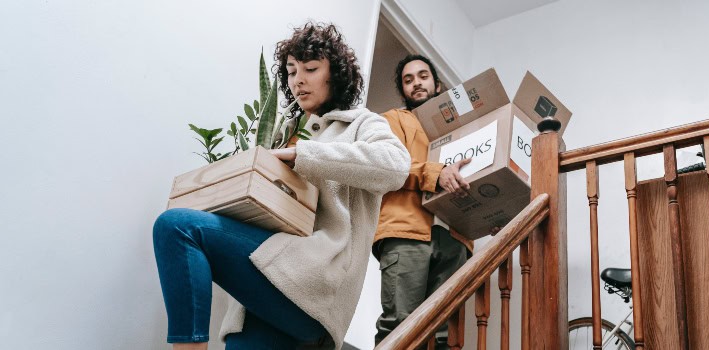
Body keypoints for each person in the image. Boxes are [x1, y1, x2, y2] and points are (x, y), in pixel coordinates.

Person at [153, 22, 410, 350]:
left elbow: (396, 166)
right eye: (291, 71)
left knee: (177, 227)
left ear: (338, 73)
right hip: (263, 289)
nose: (298, 80)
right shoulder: (281, 129)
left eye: (311, 69)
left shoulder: (362, 123)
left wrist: (302, 154)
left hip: (310, 284)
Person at [373, 54, 474, 349]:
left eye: (422, 76)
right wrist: (436, 174)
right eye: (408, 79)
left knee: (443, 336)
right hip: (406, 232)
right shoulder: (391, 120)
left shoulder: (462, 127)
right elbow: (387, 166)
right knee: (398, 326)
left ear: (437, 83)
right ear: (403, 89)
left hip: (455, 236)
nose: (416, 83)